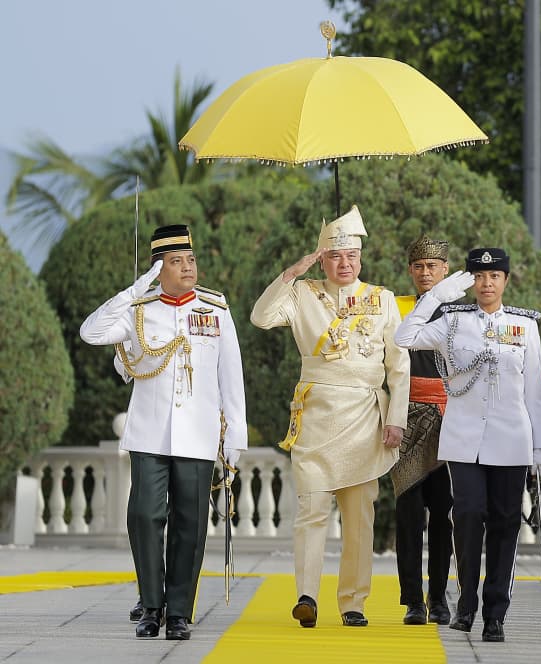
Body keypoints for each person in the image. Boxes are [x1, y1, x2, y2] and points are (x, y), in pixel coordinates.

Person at [80, 224, 248, 640]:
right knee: (143, 515)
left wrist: (236, 436)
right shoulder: (140, 310)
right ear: (159, 268)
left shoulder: (216, 310)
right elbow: (92, 332)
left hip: (198, 434)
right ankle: (150, 605)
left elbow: (232, 376)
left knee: (191, 523)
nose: (188, 267)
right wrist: (134, 290)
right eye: (177, 262)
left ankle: (177, 611)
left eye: (190, 259)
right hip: (149, 434)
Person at [249, 206, 410, 629]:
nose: (345, 264)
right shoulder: (302, 293)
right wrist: (290, 274)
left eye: (351, 256)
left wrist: (397, 417)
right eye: (335, 256)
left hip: (364, 418)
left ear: (360, 258)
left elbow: (399, 365)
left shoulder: (383, 299)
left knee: (360, 517)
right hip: (317, 416)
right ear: (322, 259)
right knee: (312, 510)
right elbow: (261, 317)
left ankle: (353, 602)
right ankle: (306, 595)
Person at [394, 247, 541, 643]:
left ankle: (495, 612)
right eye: (479, 277)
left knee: (504, 523)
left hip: (511, 440)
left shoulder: (524, 327)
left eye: (494, 277)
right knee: (466, 517)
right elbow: (404, 337)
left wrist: (540, 447)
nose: (485, 284)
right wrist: (435, 298)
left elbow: (534, 391)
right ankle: (466, 604)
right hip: (463, 440)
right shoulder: (452, 321)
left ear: (505, 281)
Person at [391, 235, 454, 626]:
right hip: (407, 417)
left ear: (445, 270)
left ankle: (440, 596)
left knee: (444, 514)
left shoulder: (461, 313)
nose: (426, 272)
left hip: (450, 418)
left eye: (433, 266)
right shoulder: (396, 309)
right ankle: (413, 599)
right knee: (409, 514)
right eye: (419, 266)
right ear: (411, 270)